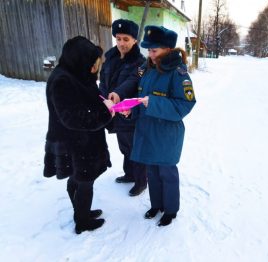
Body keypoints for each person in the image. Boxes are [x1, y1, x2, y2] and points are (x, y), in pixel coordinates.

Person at [125, 25, 196, 226]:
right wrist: (132, 110)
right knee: (152, 172)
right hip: (147, 130)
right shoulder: (147, 69)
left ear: (167, 49)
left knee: (167, 173)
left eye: (154, 50)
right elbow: (141, 99)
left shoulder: (178, 73)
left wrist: (153, 103)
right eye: (149, 50)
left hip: (166, 134)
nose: (150, 54)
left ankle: (170, 210)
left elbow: (185, 104)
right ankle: (156, 205)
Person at [43, 36, 115, 234]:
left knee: (79, 179)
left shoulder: (75, 72)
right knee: (84, 182)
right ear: (80, 59)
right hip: (75, 144)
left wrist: (105, 104)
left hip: (82, 142)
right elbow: (73, 118)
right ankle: (82, 221)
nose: (94, 69)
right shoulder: (62, 81)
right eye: (93, 65)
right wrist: (105, 113)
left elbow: (84, 100)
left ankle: (81, 212)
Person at [99, 19, 147, 197]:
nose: (121, 43)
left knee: (135, 148)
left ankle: (141, 181)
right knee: (124, 146)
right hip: (113, 111)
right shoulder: (110, 58)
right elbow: (103, 80)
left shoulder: (141, 63)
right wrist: (103, 97)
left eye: (126, 39)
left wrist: (117, 93)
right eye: (118, 38)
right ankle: (129, 174)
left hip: (129, 112)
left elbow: (133, 80)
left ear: (135, 40)